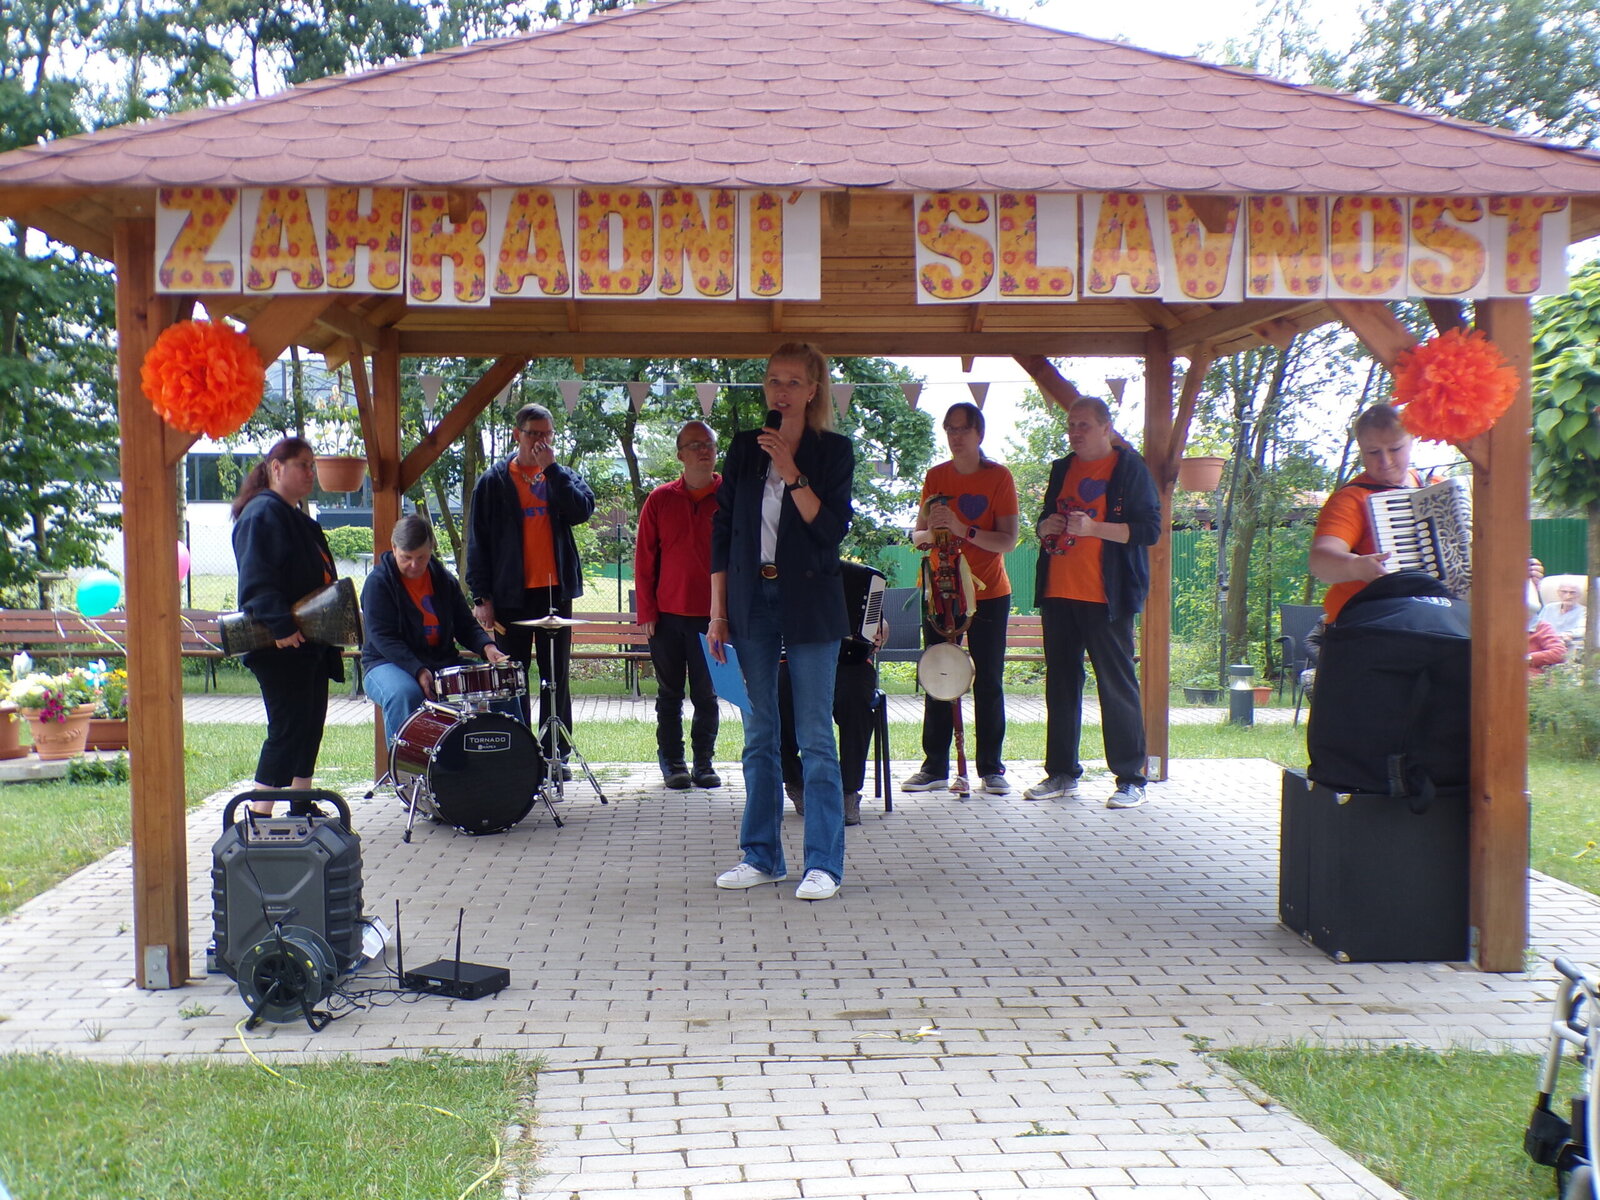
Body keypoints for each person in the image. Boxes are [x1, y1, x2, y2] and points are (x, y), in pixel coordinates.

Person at [707, 342, 854, 901]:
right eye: (773, 380)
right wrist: (718, 611)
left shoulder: (832, 451)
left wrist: (792, 472)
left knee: (814, 735)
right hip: (752, 600)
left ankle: (824, 864)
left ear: (813, 390)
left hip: (811, 600)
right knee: (759, 733)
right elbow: (723, 532)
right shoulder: (745, 447)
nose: (781, 391)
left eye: (793, 382)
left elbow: (829, 529)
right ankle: (762, 856)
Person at [1023, 396, 1161, 810]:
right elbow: (1045, 521)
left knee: (1116, 686)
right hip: (1058, 593)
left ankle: (1131, 779)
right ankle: (1061, 774)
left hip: (1107, 597)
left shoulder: (1130, 469)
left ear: (1106, 427)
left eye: (1083, 424)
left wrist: (1094, 528)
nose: (1075, 432)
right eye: (1071, 425)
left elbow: (1149, 530)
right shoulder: (1061, 469)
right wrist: (1044, 526)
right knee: (1061, 685)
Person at [466, 403, 595, 771]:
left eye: (547, 434)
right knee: (511, 678)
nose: (541, 441)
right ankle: (518, 755)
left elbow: (582, 511)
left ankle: (556, 755)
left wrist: (552, 470)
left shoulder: (560, 475)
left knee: (556, 678)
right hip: (510, 595)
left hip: (554, 594)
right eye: (534, 434)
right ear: (517, 435)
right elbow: (477, 542)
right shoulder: (493, 481)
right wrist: (481, 597)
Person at [902, 401, 1019, 795]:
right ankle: (934, 767)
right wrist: (930, 532)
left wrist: (961, 528)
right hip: (940, 590)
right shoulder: (935, 476)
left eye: (962, 429)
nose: (955, 437)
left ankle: (990, 768)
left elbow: (1008, 540)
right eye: (949, 429)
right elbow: (918, 536)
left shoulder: (999, 477)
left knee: (988, 679)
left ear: (979, 433)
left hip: (988, 592)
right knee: (939, 672)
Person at [230, 437, 343, 816]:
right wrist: (281, 627)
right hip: (280, 645)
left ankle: (300, 804)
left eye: (313, 466)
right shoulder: (262, 514)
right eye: (303, 465)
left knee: (308, 727)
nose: (311, 473)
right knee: (287, 729)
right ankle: (259, 817)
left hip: (309, 644)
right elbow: (257, 582)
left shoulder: (294, 517)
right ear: (276, 468)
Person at [362, 514, 511, 743]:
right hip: (385, 663)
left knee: (500, 686)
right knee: (406, 693)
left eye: (421, 557)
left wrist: (487, 647)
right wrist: (418, 670)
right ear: (394, 548)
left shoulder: (444, 580)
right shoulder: (378, 583)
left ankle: (511, 758)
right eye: (406, 558)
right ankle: (405, 764)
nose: (414, 565)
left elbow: (465, 624)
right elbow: (383, 637)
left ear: (431, 548)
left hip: (440, 661)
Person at [635, 420, 723, 790]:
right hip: (667, 617)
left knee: (707, 695)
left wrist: (728, 615)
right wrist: (647, 611)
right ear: (680, 456)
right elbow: (644, 559)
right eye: (695, 445)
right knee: (669, 695)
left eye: (709, 443)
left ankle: (704, 763)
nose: (704, 450)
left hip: (714, 619)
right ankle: (673, 763)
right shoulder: (660, 499)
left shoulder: (730, 497)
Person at [778, 561, 888, 826]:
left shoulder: (859, 577)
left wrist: (882, 628)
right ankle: (795, 781)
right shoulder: (783, 572)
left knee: (856, 699)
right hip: (795, 659)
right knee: (778, 694)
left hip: (850, 662)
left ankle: (849, 791)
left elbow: (877, 619)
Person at [1309, 403, 1421, 624]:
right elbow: (1320, 561)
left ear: (1412, 440)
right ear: (1361, 450)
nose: (1385, 461)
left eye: (1395, 449)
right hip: (1365, 626)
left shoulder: (1436, 486)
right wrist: (1355, 566)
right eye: (1373, 452)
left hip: (1428, 621)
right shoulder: (1352, 499)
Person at [1535, 580, 1587, 648]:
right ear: (1558, 593)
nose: (1568, 596)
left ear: (1579, 595)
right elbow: (1537, 626)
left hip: (1568, 645)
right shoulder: (1549, 608)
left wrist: (1568, 634)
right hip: (1545, 643)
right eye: (1564, 592)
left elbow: (1583, 630)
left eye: (1572, 593)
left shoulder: (1584, 611)